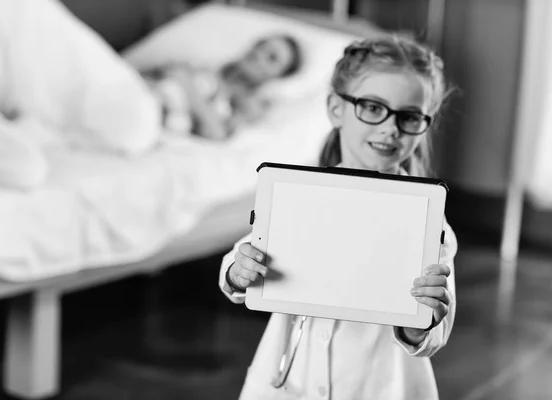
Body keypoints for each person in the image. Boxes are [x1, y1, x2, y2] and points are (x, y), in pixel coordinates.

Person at [218, 34, 457, 400]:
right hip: (288, 382)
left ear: (424, 123)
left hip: (379, 386)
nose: (390, 128)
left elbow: (434, 331)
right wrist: (239, 271)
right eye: (373, 108)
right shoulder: (297, 194)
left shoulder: (430, 221)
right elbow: (246, 257)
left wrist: (419, 324)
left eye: (409, 116)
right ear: (336, 109)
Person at [142, 34, 302, 140]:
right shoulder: (212, 70)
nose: (258, 53)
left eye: (272, 58)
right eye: (260, 45)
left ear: (278, 77)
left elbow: (217, 133)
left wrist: (187, 87)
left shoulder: (250, 104)